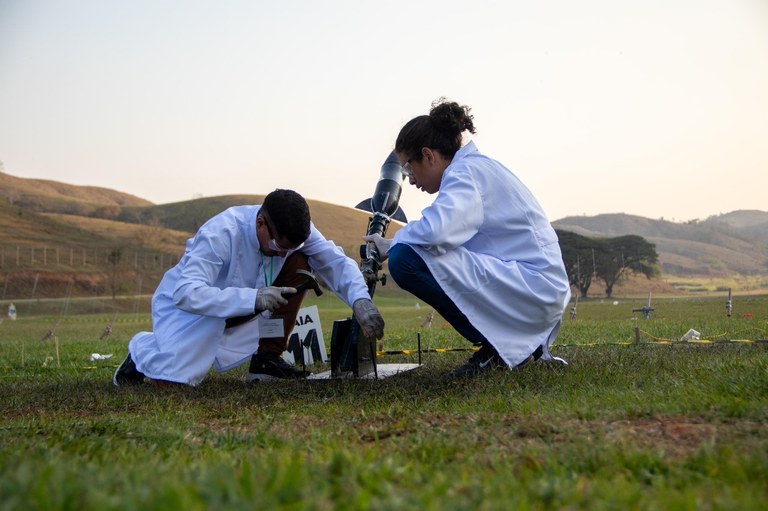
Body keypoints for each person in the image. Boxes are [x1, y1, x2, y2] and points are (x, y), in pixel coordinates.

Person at [364, 99, 571, 377]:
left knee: (405, 260)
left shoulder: (465, 174)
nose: (410, 180)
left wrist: (397, 241)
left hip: (533, 291)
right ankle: (509, 344)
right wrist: (394, 242)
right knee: (408, 249)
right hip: (533, 288)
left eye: (409, 169)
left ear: (428, 155)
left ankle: (499, 346)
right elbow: (445, 233)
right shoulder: (473, 169)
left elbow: (437, 232)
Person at [114, 189, 384, 386]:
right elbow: (186, 293)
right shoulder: (221, 233)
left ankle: (267, 359)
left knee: (301, 263)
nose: (281, 255)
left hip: (252, 306)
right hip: (191, 312)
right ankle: (142, 351)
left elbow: (335, 262)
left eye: (288, 249)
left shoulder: (294, 239)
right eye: (278, 246)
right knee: (173, 384)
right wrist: (253, 298)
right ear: (260, 224)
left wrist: (360, 300)